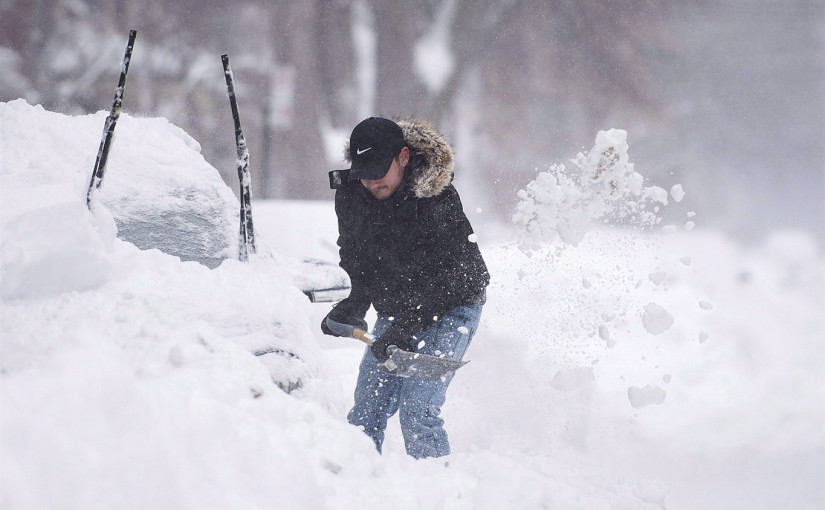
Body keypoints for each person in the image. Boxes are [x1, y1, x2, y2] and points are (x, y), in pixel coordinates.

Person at [321, 117, 489, 459]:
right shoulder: (353, 193)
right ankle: (360, 489)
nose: (370, 181)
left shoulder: (435, 197)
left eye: (379, 170)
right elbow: (356, 253)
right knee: (366, 411)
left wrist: (406, 328)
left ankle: (439, 494)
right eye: (362, 171)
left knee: (417, 413)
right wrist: (357, 301)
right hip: (399, 307)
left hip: (453, 302)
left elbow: (450, 277)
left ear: (404, 157)